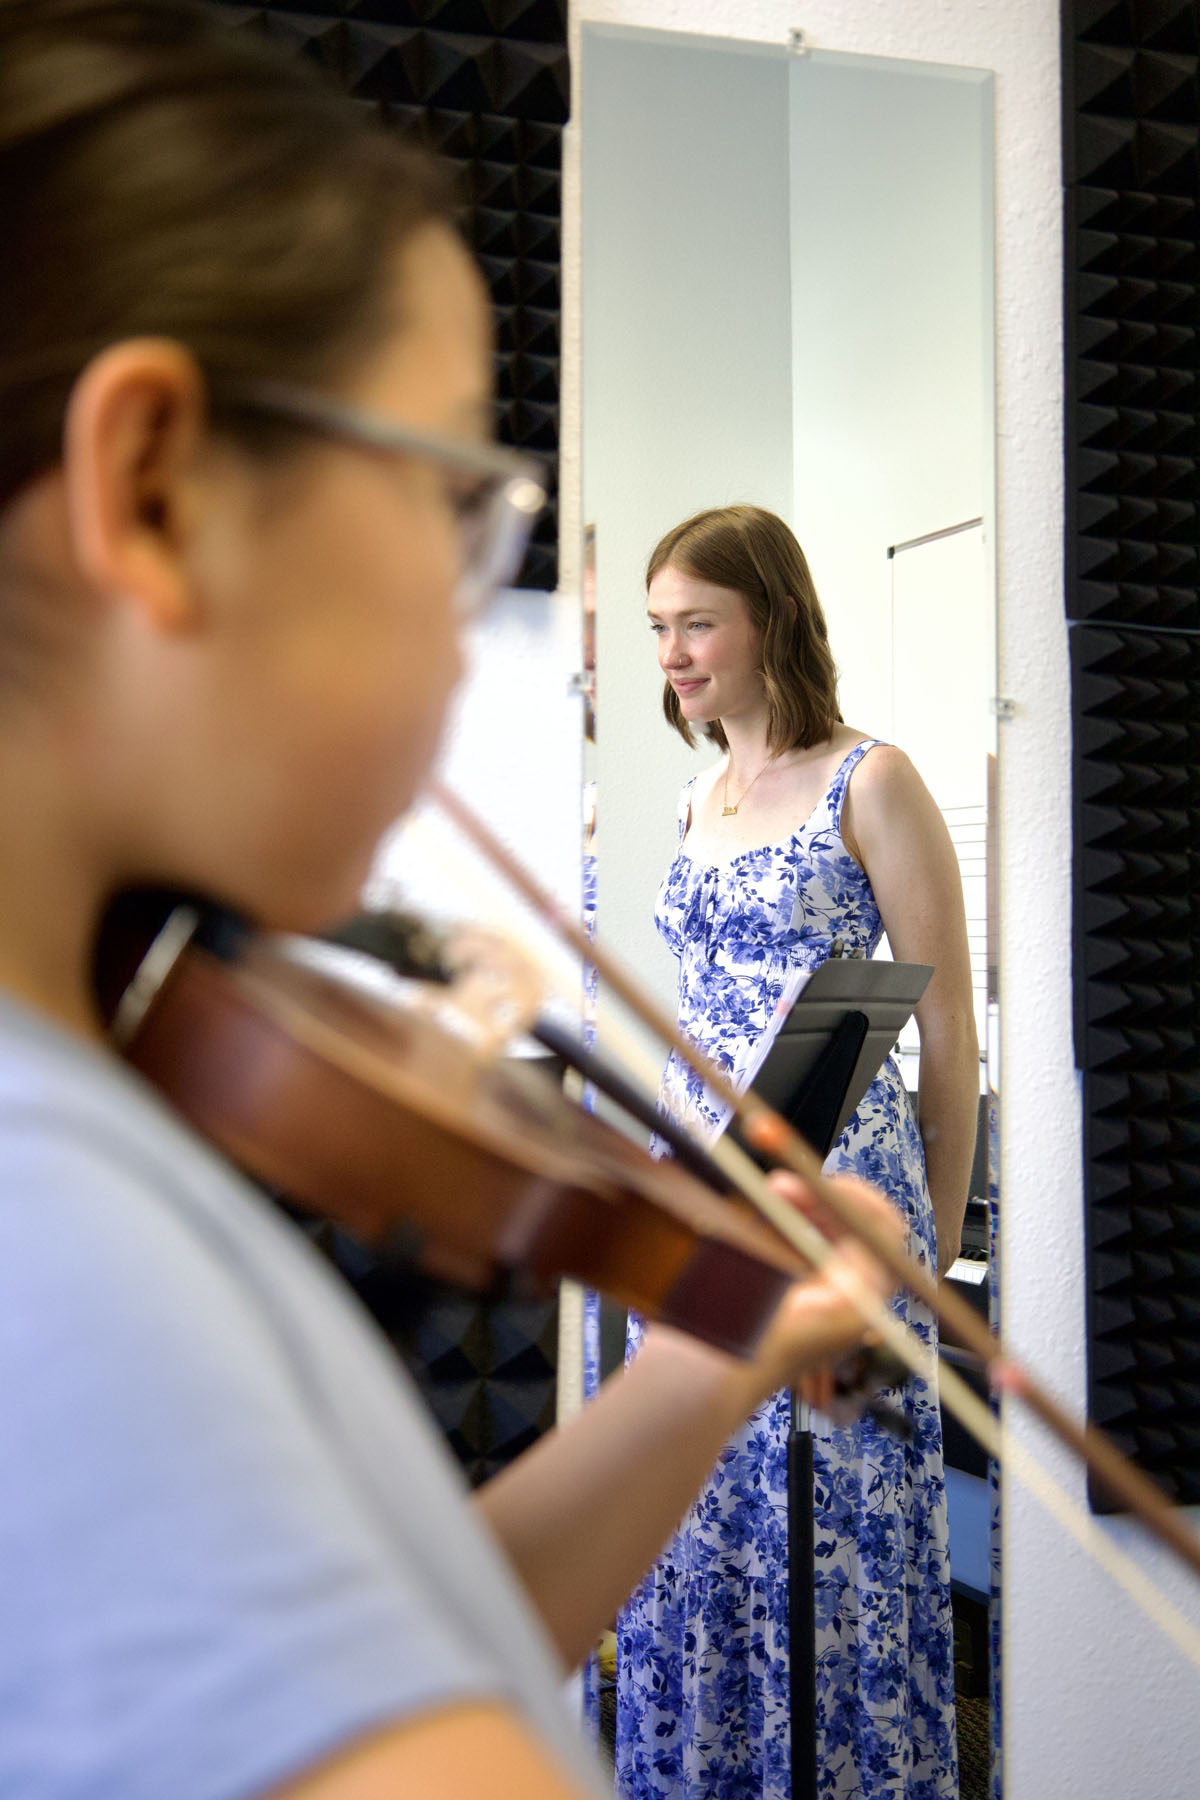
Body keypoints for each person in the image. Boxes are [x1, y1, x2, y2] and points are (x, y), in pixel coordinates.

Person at [0, 7, 907, 1799]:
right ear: (154, 492)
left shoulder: (86, 1139)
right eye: (452, 502)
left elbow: (377, 1660)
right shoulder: (58, 1235)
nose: (469, 610)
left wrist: (712, 1365)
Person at [616, 505, 980, 1800]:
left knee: (831, 1539)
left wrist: (930, 1246)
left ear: (770, 617)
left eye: (697, 622)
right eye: (660, 626)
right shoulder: (694, 787)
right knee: (692, 1523)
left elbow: (945, 1028)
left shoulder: (868, 780)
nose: (673, 651)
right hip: (694, 1198)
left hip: (839, 1193)